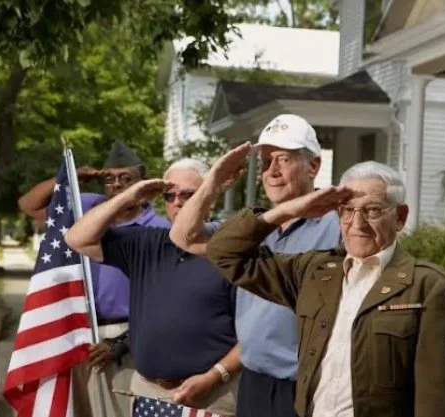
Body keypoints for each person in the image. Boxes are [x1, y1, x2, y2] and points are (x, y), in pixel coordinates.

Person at [196, 160, 445, 417]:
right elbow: (225, 253)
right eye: (348, 210)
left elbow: (443, 402)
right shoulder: (314, 272)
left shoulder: (428, 288)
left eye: (372, 210)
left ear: (399, 217)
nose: (357, 223)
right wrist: (289, 210)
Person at [171, 114, 341, 417]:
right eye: (265, 162)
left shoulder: (339, 225)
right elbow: (183, 237)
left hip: (308, 388)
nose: (271, 171)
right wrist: (212, 182)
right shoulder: (250, 227)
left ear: (313, 166)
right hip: (254, 382)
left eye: (283, 160)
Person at [64, 158, 241, 416]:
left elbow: (253, 335)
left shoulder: (232, 253)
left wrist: (215, 377)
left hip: (213, 394)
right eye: (170, 196)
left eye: (189, 195)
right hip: (149, 391)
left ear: (210, 198)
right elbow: (77, 238)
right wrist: (129, 196)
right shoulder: (145, 243)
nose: (178, 202)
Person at [18, 141, 169, 417]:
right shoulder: (85, 207)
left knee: (119, 411)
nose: (116, 184)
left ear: (141, 183)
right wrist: (71, 178)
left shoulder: (160, 229)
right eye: (109, 178)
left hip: (125, 339)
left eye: (126, 178)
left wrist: (121, 343)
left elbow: (164, 300)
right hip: (76, 332)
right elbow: (28, 205)